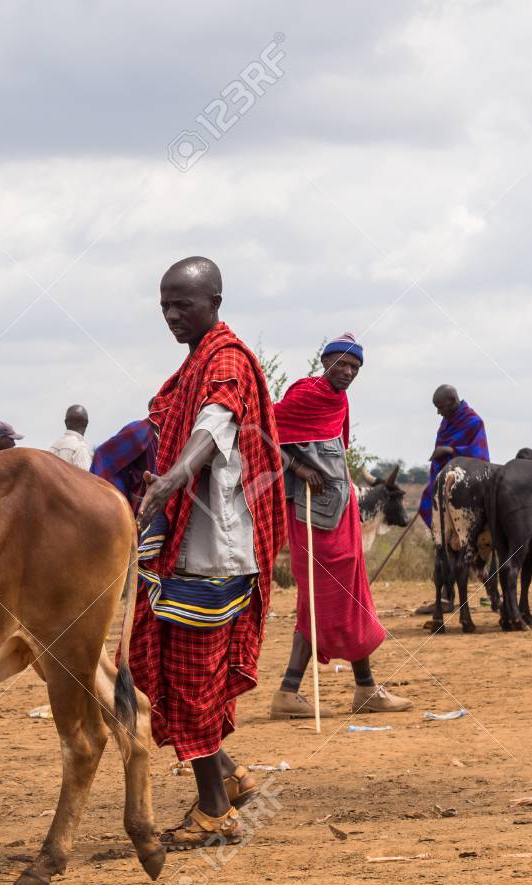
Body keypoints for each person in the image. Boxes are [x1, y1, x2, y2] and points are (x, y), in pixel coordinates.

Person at [129, 257, 285, 850]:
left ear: (215, 301)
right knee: (181, 672)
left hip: (211, 551)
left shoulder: (224, 362)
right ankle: (229, 775)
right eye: (165, 305)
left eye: (183, 305)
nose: (171, 315)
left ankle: (215, 813)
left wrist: (171, 481)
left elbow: (215, 424)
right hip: (196, 546)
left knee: (191, 679)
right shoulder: (199, 358)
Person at [269, 334, 411, 720]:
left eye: (355, 367)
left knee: (342, 597)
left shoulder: (339, 400)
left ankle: (338, 689)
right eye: (342, 364)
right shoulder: (304, 394)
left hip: (338, 509)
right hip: (312, 517)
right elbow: (263, 428)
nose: (348, 372)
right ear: (325, 361)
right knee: (327, 597)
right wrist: (298, 467)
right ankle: (346, 690)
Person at [416, 384, 489, 615]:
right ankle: (447, 597)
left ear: (453, 399)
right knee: (443, 541)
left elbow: (479, 459)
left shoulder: (473, 422)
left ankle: (492, 594)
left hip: (467, 493)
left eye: (441, 407)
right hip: (444, 489)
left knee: (470, 547)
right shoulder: (447, 422)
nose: (439, 413)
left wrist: (449, 450)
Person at [91, 418, 157, 511]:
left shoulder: (167, 438)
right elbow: (102, 455)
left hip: (148, 506)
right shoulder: (140, 430)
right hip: (124, 506)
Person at [48, 405, 93, 469]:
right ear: (86, 423)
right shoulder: (81, 448)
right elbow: (85, 478)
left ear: (65, 422)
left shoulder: (52, 448)